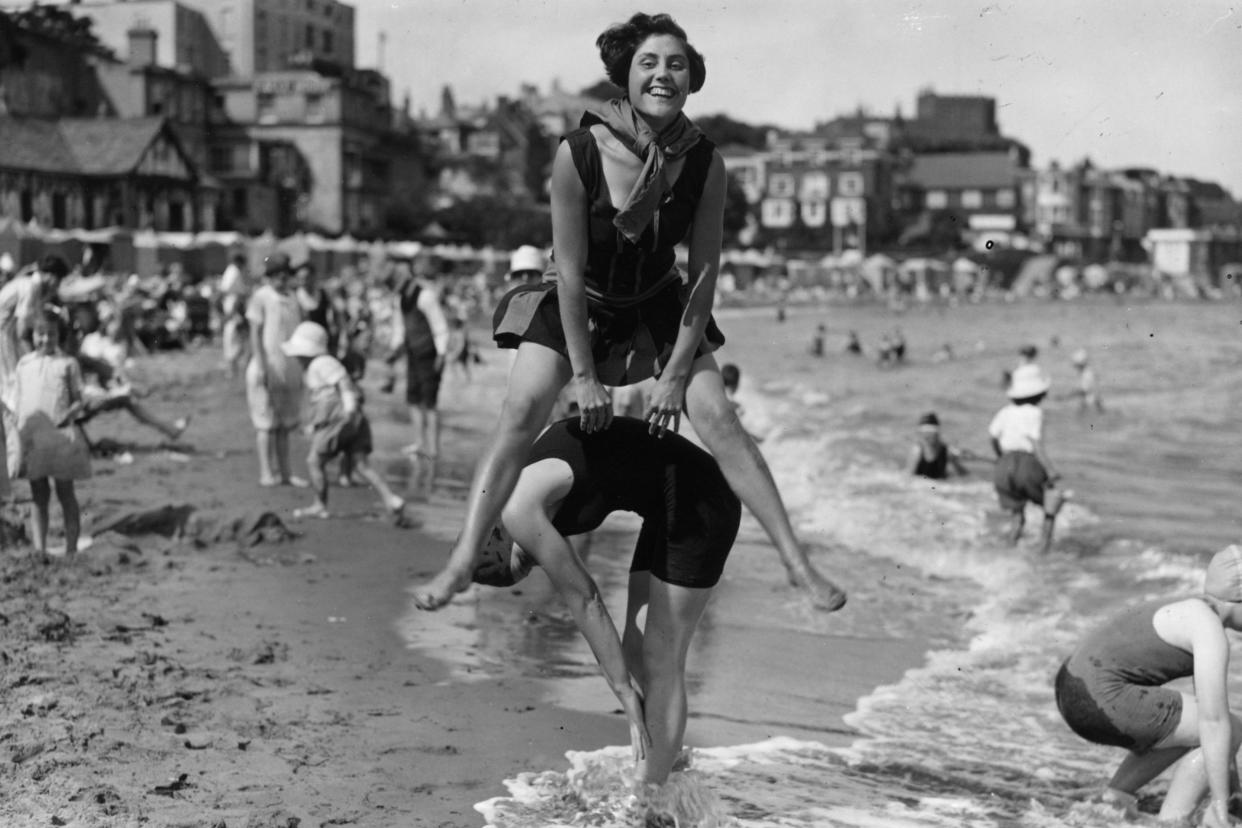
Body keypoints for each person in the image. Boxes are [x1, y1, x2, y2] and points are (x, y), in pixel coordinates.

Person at [412, 12, 845, 613]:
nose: (664, 73)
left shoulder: (704, 162)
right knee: (519, 411)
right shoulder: (578, 153)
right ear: (625, 75)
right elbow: (566, 271)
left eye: (676, 63)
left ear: (692, 78)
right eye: (649, 62)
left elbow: (705, 273)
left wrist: (673, 378)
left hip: (660, 299)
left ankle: (797, 564)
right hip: (580, 298)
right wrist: (585, 377)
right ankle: (463, 557)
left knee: (719, 419)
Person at [459, 416, 741, 787]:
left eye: (526, 557)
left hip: (703, 499)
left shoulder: (519, 510)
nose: (539, 557)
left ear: (498, 535)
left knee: (661, 657)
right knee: (636, 649)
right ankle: (666, 757)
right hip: (667, 505)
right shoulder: (523, 483)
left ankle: (649, 801)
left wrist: (624, 693)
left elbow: (588, 600)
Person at [1055, 544, 1242, 826]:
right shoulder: (1209, 630)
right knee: (1229, 727)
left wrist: (1233, 795)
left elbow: (1206, 720)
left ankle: (1115, 797)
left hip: (1071, 689)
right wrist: (1219, 802)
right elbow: (1214, 723)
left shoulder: (1190, 609)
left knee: (1195, 725)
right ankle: (1173, 820)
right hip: (1102, 698)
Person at [281, 321, 406, 522]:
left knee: (314, 461)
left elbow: (344, 382)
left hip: (340, 420)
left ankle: (320, 505)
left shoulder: (321, 363)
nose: (296, 359)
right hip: (350, 419)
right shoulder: (321, 363)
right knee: (361, 465)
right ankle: (391, 499)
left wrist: (348, 408)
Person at [14, 308, 91, 557]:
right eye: (40, 334)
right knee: (38, 495)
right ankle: (40, 549)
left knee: (65, 491)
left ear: (61, 336)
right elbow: (19, 400)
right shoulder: (24, 364)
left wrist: (68, 414)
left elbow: (80, 399)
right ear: (32, 335)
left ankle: (71, 549)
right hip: (33, 440)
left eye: (52, 334)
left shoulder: (68, 363)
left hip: (60, 437)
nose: (45, 340)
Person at [75, 314, 191, 444]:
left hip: (105, 388)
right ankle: (169, 428)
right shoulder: (91, 340)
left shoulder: (119, 344)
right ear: (106, 324)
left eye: (118, 327)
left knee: (129, 400)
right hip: (90, 392)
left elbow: (114, 370)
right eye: (114, 325)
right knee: (129, 398)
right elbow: (94, 367)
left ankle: (169, 429)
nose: (116, 329)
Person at [0, 255, 68, 476]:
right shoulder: (31, 287)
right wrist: (36, 362)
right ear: (51, 276)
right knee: (12, 397)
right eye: (58, 280)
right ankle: (15, 461)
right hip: (5, 342)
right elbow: (21, 331)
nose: (58, 285)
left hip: (6, 339)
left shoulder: (29, 284)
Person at [987, 364, 1065, 553]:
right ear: (1040, 393)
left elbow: (992, 436)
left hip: (1004, 466)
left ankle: (1009, 549)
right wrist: (1051, 470)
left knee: (1017, 515)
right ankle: (1043, 551)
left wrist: (1000, 457)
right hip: (1027, 464)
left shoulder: (1005, 411)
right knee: (1050, 506)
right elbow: (1035, 443)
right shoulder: (1035, 412)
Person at [245, 252, 304, 487]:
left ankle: (286, 472)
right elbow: (255, 334)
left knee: (284, 424)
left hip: (288, 367)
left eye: (284, 276)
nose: (281, 280)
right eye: (277, 276)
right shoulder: (262, 297)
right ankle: (266, 472)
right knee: (265, 423)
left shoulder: (292, 299)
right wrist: (261, 366)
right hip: (266, 365)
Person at [394, 258, 450, 460]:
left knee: (430, 403)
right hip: (412, 354)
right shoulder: (401, 298)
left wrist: (442, 354)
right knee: (413, 399)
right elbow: (401, 327)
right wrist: (396, 349)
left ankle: (433, 449)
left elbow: (440, 326)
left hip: (429, 355)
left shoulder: (425, 295)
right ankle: (420, 443)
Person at [906, 412, 972, 479]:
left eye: (931, 433)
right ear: (921, 434)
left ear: (937, 434)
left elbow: (965, 474)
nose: (928, 436)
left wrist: (953, 461)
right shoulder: (917, 451)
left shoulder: (946, 450)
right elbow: (909, 477)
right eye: (925, 433)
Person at [1070, 348, 1104, 414]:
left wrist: (1068, 396)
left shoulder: (1086, 374)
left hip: (1089, 406)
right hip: (1092, 404)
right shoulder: (1088, 372)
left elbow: (1083, 390)